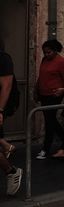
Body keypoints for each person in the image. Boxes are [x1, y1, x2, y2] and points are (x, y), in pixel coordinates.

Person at [34, 39, 64, 160]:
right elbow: (41, 76)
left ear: (55, 51)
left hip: (54, 95)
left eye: (49, 52)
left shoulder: (61, 62)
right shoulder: (44, 60)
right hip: (43, 94)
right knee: (51, 119)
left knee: (49, 121)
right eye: (45, 52)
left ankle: (46, 148)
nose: (46, 55)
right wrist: (36, 90)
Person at [0, 37, 21, 177]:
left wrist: (0, 110)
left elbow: (6, 86)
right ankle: (6, 146)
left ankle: (11, 171)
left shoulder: (3, 58)